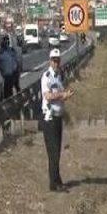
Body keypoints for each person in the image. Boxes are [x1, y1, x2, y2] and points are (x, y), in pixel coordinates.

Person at [41, 49, 74, 192]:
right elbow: (47, 96)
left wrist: (67, 94)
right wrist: (62, 95)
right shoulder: (46, 76)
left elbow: (61, 94)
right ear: (50, 61)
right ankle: (55, 183)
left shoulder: (60, 75)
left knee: (57, 151)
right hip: (49, 118)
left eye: (58, 60)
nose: (56, 63)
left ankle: (55, 180)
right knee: (53, 151)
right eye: (54, 60)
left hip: (58, 117)